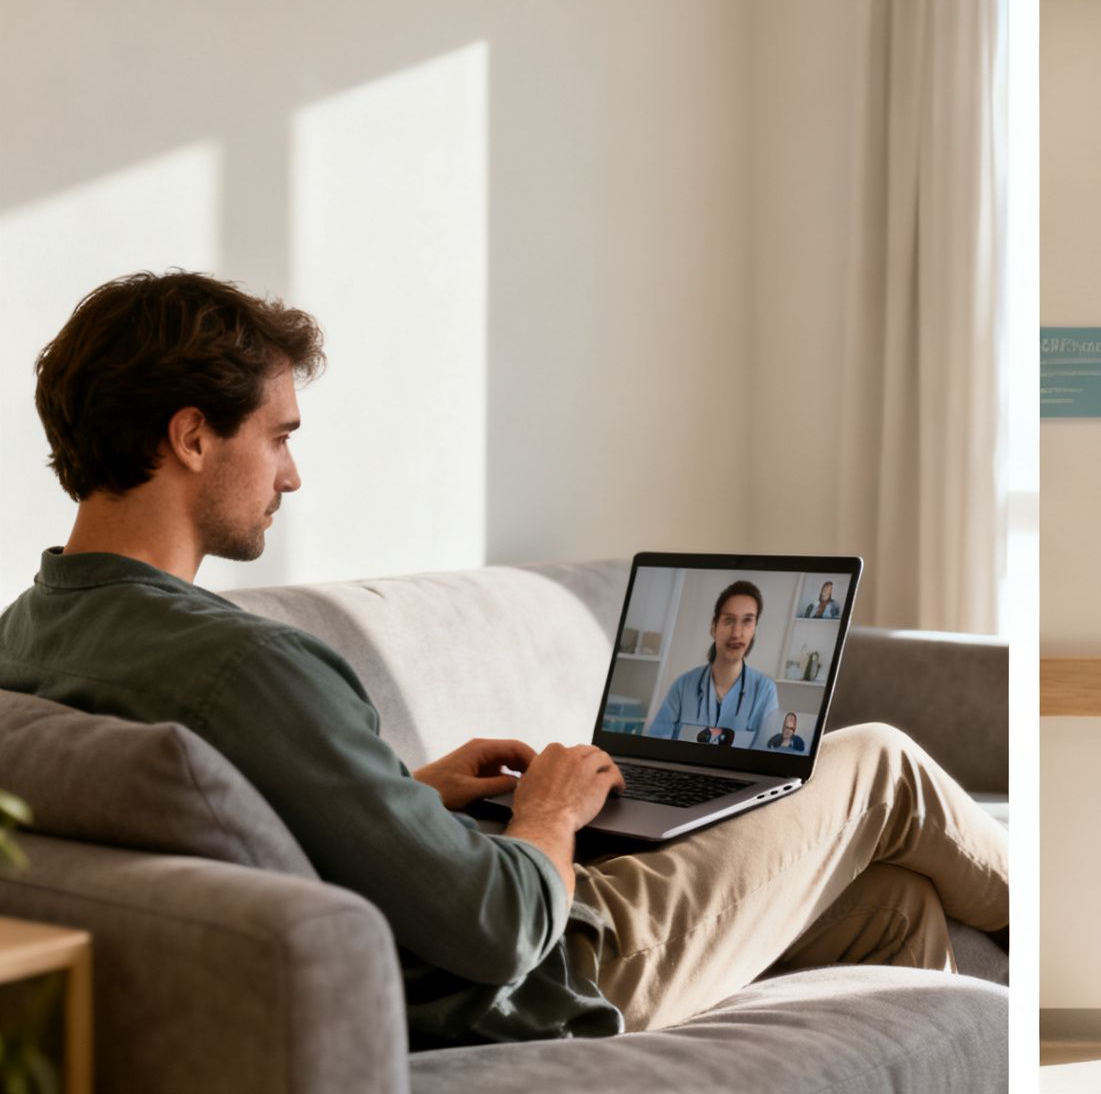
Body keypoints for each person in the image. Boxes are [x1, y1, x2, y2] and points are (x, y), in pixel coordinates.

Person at [0, 272, 1007, 1048]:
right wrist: (550, 814)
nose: (293, 475)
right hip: (544, 967)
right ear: (189, 437)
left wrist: (406, 795)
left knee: (896, 907)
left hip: (428, 934)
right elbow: (494, 925)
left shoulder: (32, 631)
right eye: (278, 437)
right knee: (877, 762)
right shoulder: (249, 665)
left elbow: (257, 817)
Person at [646, 582, 781, 745]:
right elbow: (656, 745)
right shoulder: (683, 686)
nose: (737, 633)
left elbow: (765, 759)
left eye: (747, 621)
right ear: (714, 627)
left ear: (754, 630)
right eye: (729, 620)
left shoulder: (765, 691)